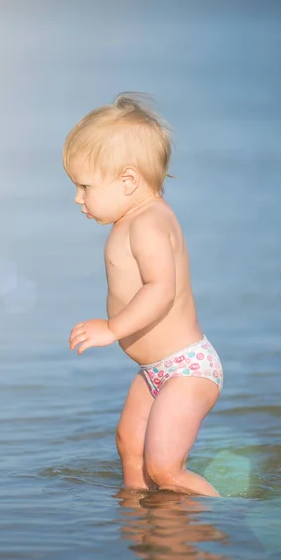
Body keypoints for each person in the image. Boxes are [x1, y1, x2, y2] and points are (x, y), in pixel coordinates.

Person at [64, 93, 223, 497]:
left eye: (85, 186)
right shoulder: (129, 218)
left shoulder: (149, 221)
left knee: (165, 468)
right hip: (155, 371)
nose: (77, 198)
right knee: (129, 448)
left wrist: (112, 329)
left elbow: (161, 289)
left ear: (128, 181)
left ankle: (226, 522)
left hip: (186, 369)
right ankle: (139, 522)